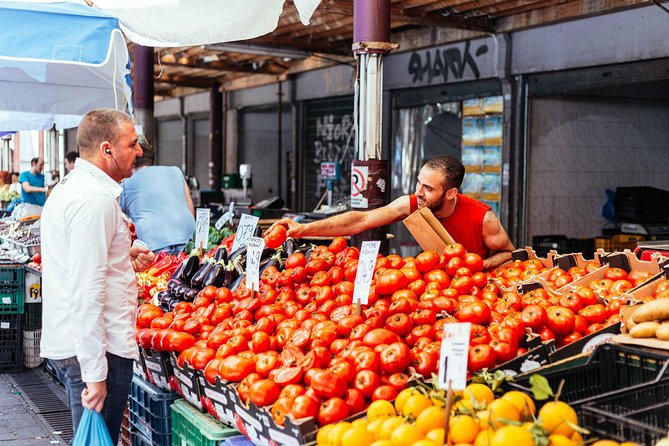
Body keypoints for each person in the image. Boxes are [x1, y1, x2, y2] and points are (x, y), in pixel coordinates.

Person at [40, 109, 155, 445]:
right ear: (107, 149)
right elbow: (86, 291)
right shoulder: (94, 201)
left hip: (80, 345)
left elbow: (77, 263)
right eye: (132, 144)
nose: (139, 152)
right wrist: (95, 374)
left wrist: (123, 257)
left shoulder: (71, 189)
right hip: (97, 349)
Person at [269, 155, 514, 270]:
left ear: (450, 193)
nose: (418, 192)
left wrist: (480, 266)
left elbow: (510, 254)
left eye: (428, 188)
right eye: (418, 182)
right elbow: (361, 219)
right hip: (436, 289)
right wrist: (303, 228)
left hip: (475, 292)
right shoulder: (413, 203)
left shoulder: (482, 217)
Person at [120, 142, 195, 254]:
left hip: (155, 242)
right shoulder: (176, 171)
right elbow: (190, 209)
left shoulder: (126, 184)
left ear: (132, 161)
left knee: (163, 271)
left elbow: (117, 220)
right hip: (189, 238)